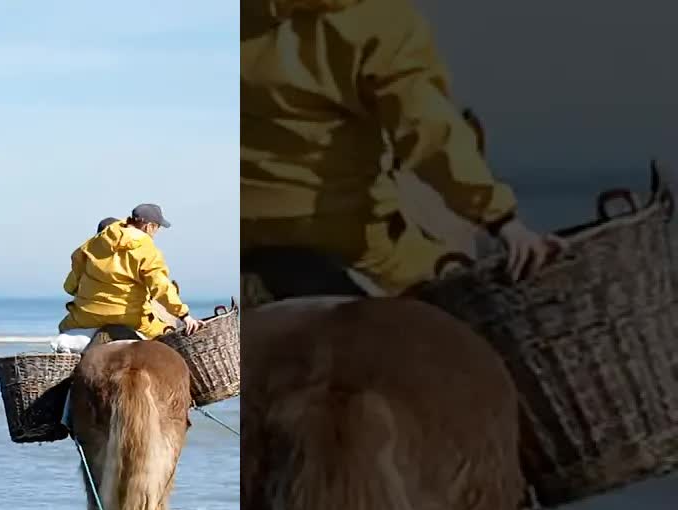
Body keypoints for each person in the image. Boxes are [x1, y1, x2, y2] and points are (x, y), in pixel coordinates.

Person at [241, 0, 561, 295]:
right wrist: (502, 220)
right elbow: (428, 130)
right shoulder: (379, 19)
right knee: (465, 305)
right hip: (348, 242)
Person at [59, 203, 205, 341]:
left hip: (87, 317)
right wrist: (184, 315)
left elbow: (69, 287)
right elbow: (160, 286)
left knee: (64, 327)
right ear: (149, 226)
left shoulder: (92, 244)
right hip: (129, 318)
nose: (156, 232)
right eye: (158, 227)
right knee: (168, 334)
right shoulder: (147, 249)